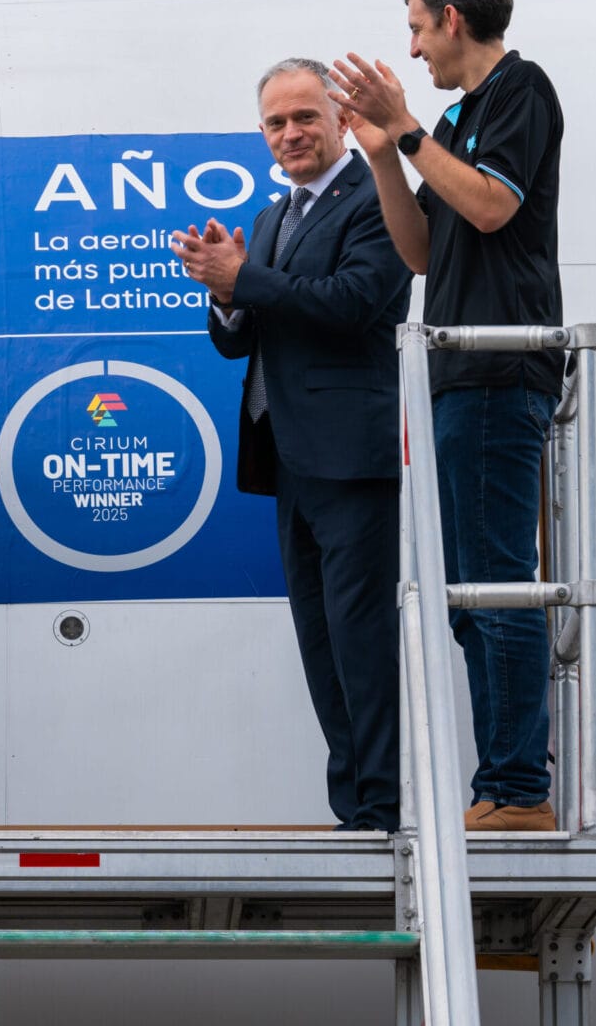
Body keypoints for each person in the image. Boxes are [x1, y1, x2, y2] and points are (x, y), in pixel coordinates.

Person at [330, 0, 566, 832]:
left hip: (500, 369)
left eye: (419, 28)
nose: (416, 49)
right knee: (473, 589)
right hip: (461, 370)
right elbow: (427, 250)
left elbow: (496, 208)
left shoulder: (520, 92)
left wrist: (410, 130)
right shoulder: (460, 117)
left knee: (497, 582)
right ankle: (502, 781)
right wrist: (385, 153)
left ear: (455, 21)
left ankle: (516, 787)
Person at [172, 59, 412, 832]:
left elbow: (351, 305)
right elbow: (238, 341)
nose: (291, 133)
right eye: (275, 123)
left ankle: (382, 804)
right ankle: (354, 806)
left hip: (353, 456)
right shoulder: (275, 217)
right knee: (320, 639)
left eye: (305, 116)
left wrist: (247, 278)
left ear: (340, 120)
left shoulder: (378, 197)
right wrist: (224, 290)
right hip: (289, 457)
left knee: (360, 635)